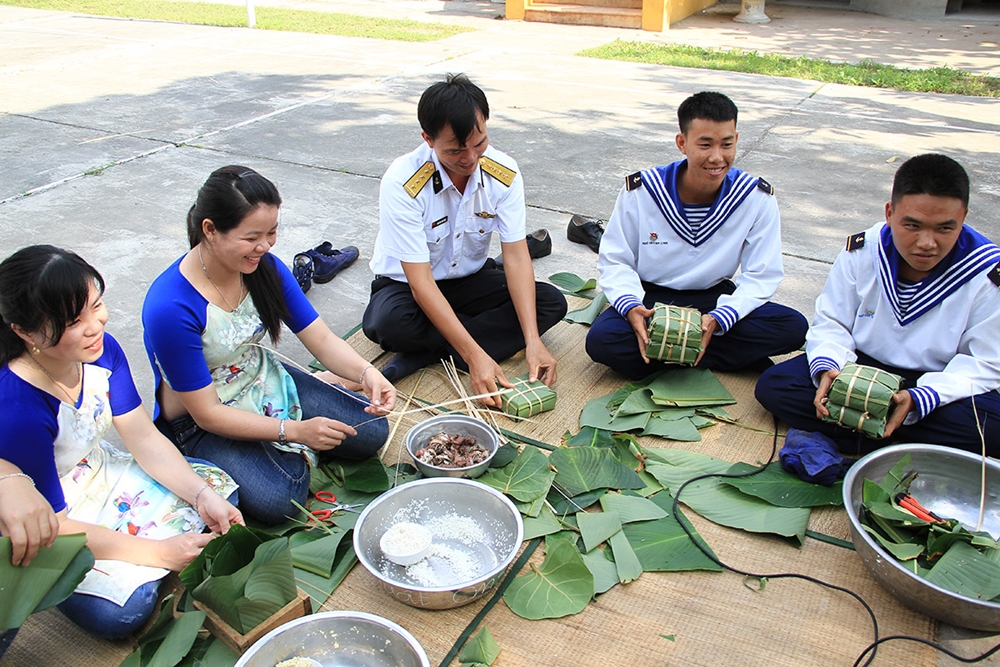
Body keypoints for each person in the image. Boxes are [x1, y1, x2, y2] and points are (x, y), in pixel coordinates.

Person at [0, 246, 242, 644]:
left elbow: (144, 437)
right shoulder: (19, 408)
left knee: (221, 493)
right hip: (57, 515)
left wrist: (201, 495)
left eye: (96, 306)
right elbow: (56, 525)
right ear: (24, 333)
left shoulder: (101, 351)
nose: (94, 326)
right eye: (72, 321)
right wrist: (158, 553)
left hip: (101, 472)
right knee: (124, 613)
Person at [142, 166, 395, 526]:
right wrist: (295, 432)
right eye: (252, 237)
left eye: (272, 232)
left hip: (260, 377)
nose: (265, 246)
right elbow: (206, 413)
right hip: (202, 417)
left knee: (372, 431)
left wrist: (367, 373)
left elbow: (320, 338)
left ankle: (306, 415)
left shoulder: (265, 269)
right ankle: (288, 437)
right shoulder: (171, 306)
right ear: (210, 230)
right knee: (281, 498)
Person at [756, 153, 1000, 457]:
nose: (926, 242)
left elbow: (984, 363)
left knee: (993, 427)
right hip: (858, 372)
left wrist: (922, 398)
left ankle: (859, 433)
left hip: (933, 384)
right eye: (912, 225)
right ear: (889, 212)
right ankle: (902, 440)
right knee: (775, 387)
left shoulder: (985, 273)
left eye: (944, 228)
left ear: (963, 217)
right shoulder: (863, 251)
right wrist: (830, 369)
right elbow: (832, 323)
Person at [361, 74, 567, 406]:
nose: (470, 158)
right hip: (408, 287)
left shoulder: (505, 173)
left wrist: (532, 341)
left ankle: (425, 353)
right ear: (428, 139)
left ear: (485, 125)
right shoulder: (403, 182)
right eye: (455, 150)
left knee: (550, 302)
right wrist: (474, 356)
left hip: (470, 280)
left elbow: (515, 257)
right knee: (387, 324)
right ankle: (466, 347)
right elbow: (421, 282)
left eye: (479, 143)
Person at [585, 91, 807, 379]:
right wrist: (631, 306)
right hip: (650, 300)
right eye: (705, 145)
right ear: (682, 143)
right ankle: (718, 355)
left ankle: (667, 353)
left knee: (793, 327)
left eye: (726, 144)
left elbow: (761, 275)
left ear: (736, 140)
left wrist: (721, 317)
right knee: (602, 342)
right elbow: (616, 260)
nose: (717, 157)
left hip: (713, 302)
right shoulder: (643, 191)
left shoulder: (754, 197)